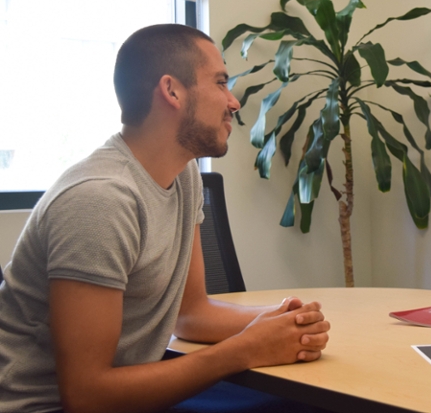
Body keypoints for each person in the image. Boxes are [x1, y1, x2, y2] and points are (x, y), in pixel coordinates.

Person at [0, 24, 331, 413]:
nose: (233, 101)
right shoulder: (100, 200)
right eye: (221, 82)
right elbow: (86, 396)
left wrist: (277, 321)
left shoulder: (183, 175)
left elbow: (191, 314)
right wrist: (242, 349)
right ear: (172, 91)